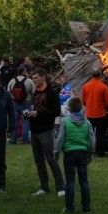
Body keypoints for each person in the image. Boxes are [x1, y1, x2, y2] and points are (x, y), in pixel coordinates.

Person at [28, 68, 65, 197]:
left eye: (36, 78)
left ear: (43, 77)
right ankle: (44, 187)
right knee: (38, 161)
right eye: (33, 78)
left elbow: (56, 111)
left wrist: (38, 113)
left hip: (46, 130)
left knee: (51, 159)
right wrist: (29, 114)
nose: (34, 80)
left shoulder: (51, 93)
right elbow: (35, 107)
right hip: (34, 130)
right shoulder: (36, 93)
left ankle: (61, 187)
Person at [55, 97, 95, 214]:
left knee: (70, 181)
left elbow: (60, 139)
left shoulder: (65, 121)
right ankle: (86, 207)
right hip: (83, 153)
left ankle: (69, 207)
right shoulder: (87, 122)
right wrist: (90, 151)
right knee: (84, 181)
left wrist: (56, 151)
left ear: (70, 108)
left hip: (69, 154)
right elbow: (91, 139)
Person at [81, 70, 108, 158]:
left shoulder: (86, 86)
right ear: (100, 76)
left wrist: (88, 105)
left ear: (91, 75)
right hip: (100, 114)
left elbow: (83, 100)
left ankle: (87, 151)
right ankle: (100, 152)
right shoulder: (103, 86)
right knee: (100, 134)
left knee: (88, 133)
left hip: (89, 113)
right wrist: (107, 106)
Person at [7, 66, 36, 145]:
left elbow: (8, 92)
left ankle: (13, 140)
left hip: (15, 104)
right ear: (23, 72)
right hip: (26, 104)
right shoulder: (29, 81)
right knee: (25, 121)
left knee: (14, 121)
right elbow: (34, 92)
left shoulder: (12, 81)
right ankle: (25, 140)